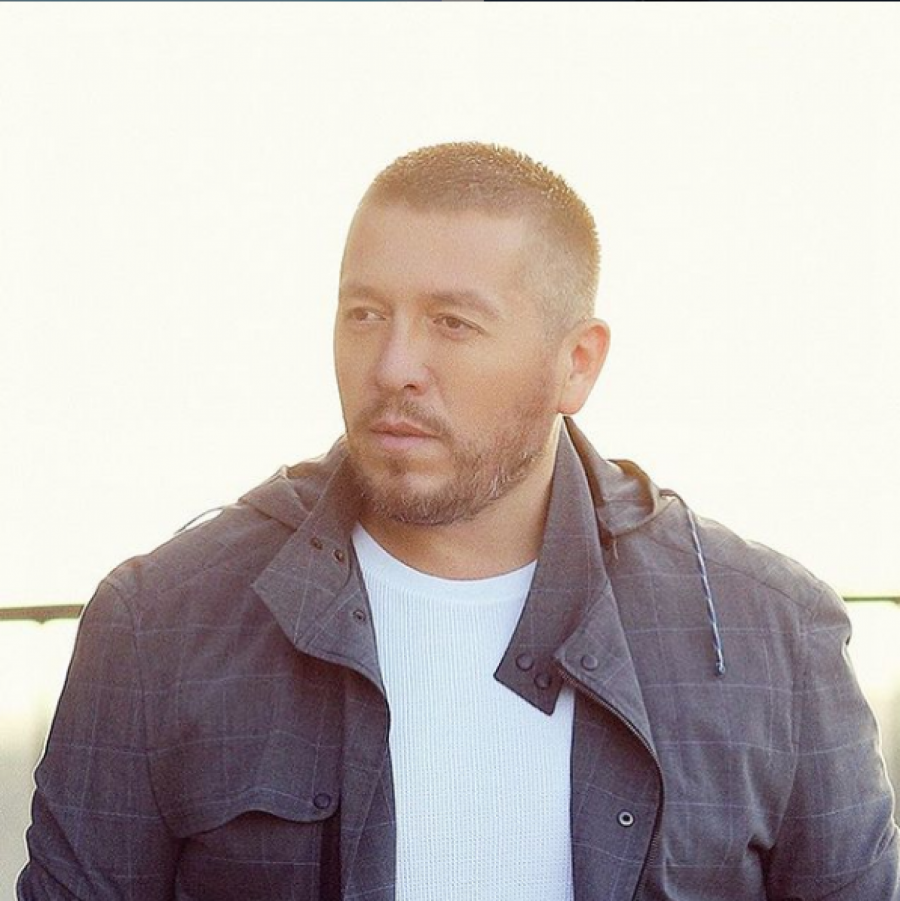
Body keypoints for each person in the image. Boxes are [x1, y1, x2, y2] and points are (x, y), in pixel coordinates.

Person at [18, 142, 900, 901]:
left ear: (576, 363)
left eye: (453, 322)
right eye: (366, 314)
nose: (394, 364)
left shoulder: (767, 634)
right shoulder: (161, 624)